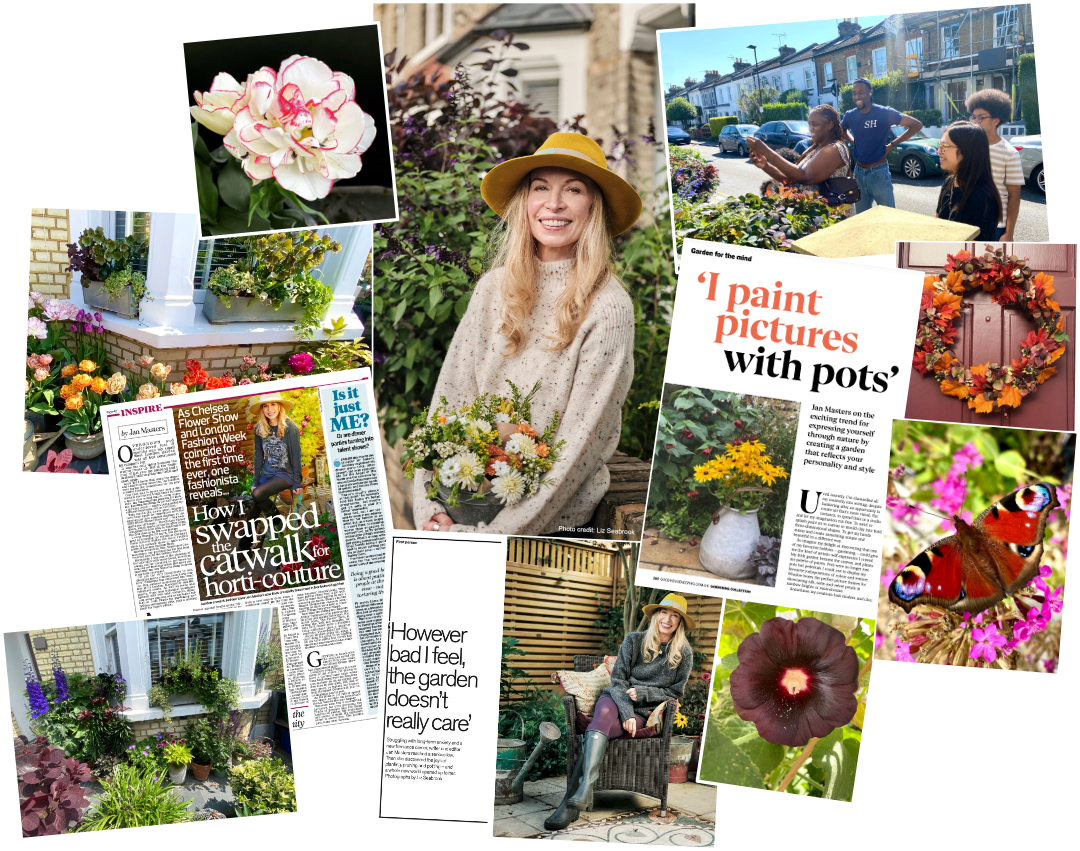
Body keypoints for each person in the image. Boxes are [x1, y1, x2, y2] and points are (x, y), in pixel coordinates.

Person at [413, 132, 641, 535]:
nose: (554, 204)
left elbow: (581, 444)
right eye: (541, 188)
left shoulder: (608, 309)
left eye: (573, 189)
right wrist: (429, 508)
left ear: (594, 207)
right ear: (525, 202)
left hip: (547, 526)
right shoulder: (494, 288)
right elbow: (450, 396)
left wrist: (494, 536)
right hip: (461, 504)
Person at [544, 594, 695, 831]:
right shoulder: (634, 640)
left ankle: (571, 803)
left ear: (680, 623)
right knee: (602, 716)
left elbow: (676, 692)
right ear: (656, 615)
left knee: (598, 728)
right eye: (664, 612)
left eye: (675, 615)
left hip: (642, 712)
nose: (668, 619)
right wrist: (625, 712)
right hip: (615, 700)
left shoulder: (683, 652)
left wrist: (644, 693)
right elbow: (618, 680)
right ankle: (583, 792)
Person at [746, 105, 856, 217]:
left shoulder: (834, 149)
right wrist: (766, 166)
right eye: (809, 124)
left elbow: (804, 177)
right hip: (815, 216)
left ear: (830, 125)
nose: (810, 128)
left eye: (815, 124)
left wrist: (767, 152)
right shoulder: (815, 148)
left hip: (832, 218)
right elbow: (793, 180)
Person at [841, 78, 923, 214]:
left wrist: (892, 145)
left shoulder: (884, 113)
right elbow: (842, 131)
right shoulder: (850, 115)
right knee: (862, 219)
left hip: (879, 173)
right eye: (854, 93)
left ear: (870, 92)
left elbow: (916, 125)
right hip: (859, 173)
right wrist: (854, 142)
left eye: (861, 92)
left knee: (888, 217)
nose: (856, 96)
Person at [239, 392, 303, 550]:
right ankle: (243, 547)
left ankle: (276, 521)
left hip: (284, 473)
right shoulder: (259, 428)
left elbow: (296, 456)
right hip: (267, 472)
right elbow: (259, 456)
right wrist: (255, 481)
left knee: (258, 495)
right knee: (255, 505)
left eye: (273, 404)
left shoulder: (290, 428)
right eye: (265, 405)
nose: (269, 409)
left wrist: (297, 482)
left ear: (280, 406)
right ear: (261, 409)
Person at [966, 88, 1024, 240]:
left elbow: (1014, 195)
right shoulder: (967, 147)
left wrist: (1009, 233)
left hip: (995, 223)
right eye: (973, 117)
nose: (975, 122)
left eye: (981, 117)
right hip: (967, 219)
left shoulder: (1009, 153)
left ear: (996, 120)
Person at [935, 120, 1002, 240]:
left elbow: (970, 252)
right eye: (939, 145)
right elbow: (937, 222)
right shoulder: (950, 181)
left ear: (967, 151)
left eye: (944, 146)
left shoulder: (981, 196)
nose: (939, 151)